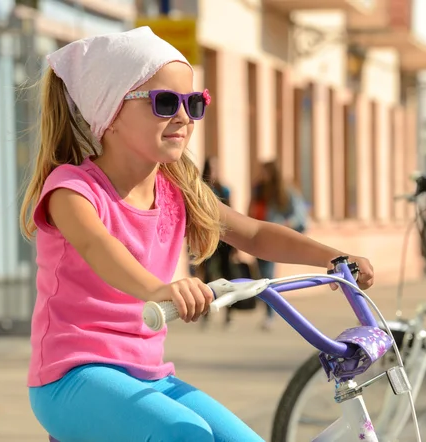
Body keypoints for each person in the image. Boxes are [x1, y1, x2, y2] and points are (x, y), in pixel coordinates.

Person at [19, 27, 374, 442]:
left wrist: (333, 258)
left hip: (148, 375)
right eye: (165, 102)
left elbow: (254, 234)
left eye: (194, 102)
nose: (184, 116)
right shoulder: (72, 190)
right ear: (110, 114)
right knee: (185, 434)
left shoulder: (176, 192)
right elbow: (99, 246)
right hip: (70, 377)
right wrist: (161, 289)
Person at [249, 161, 308, 330]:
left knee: (268, 277)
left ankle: (270, 314)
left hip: (271, 238)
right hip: (256, 238)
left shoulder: (284, 191)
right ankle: (269, 311)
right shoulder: (258, 189)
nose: (262, 175)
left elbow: (299, 215)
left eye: (265, 172)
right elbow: (251, 210)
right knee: (260, 277)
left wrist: (284, 225)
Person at [196, 156, 235, 327]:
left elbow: (231, 216)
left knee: (228, 277)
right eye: (211, 168)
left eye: (216, 168)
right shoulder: (200, 189)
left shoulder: (224, 190)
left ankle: (228, 314)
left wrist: (235, 245)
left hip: (224, 241)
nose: (213, 171)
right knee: (208, 276)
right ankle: (206, 312)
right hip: (207, 239)